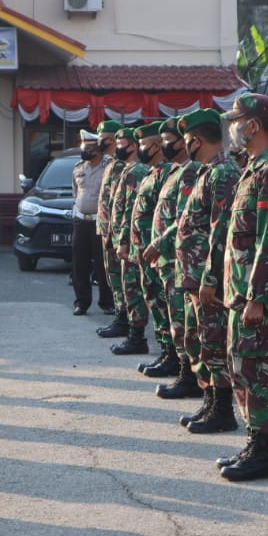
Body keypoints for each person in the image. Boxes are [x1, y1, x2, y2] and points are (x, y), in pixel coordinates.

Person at [216, 93, 268, 483]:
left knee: (255, 368)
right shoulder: (253, 168)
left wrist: (259, 297)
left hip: (253, 294)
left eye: (237, 120)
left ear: (253, 125)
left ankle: (264, 452)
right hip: (240, 290)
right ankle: (252, 441)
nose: (232, 127)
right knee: (240, 365)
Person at [176, 108, 241, 434]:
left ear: (197, 140)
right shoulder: (208, 172)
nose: (185, 146)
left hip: (207, 280)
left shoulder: (223, 174)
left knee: (215, 344)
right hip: (195, 279)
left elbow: (222, 230)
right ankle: (209, 399)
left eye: (187, 140)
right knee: (201, 341)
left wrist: (210, 277)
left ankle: (223, 409)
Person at [146, 117, 203, 399]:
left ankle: (189, 377)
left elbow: (184, 218)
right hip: (169, 258)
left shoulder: (190, 173)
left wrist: (161, 242)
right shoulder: (176, 172)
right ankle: (182, 368)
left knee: (184, 322)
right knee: (176, 319)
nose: (165, 146)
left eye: (169, 141)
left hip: (179, 258)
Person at [126, 123, 177, 373]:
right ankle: (165, 351)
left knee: (164, 302)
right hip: (145, 250)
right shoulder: (151, 172)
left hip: (159, 252)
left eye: (144, 145)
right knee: (154, 300)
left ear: (157, 146)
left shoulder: (167, 173)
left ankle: (173, 356)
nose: (140, 149)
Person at [109, 129, 151, 354]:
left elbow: (130, 211)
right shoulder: (129, 170)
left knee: (134, 289)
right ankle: (131, 330)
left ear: (134, 146)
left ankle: (137, 337)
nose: (118, 148)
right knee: (128, 287)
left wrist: (124, 240)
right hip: (126, 239)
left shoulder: (137, 171)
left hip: (133, 242)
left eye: (122, 143)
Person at [71, 129, 115, 316]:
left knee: (102, 264)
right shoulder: (78, 167)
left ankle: (107, 302)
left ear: (97, 150)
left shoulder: (109, 167)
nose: (85, 152)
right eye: (83, 148)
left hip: (100, 222)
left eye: (88, 148)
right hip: (81, 221)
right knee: (79, 264)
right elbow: (75, 192)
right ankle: (82, 302)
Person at [95, 121, 130, 337]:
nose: (100, 141)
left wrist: (114, 233)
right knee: (111, 277)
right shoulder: (110, 163)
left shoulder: (120, 165)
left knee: (120, 278)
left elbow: (119, 201)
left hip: (116, 233)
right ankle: (120, 315)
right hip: (107, 230)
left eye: (104, 137)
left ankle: (124, 319)